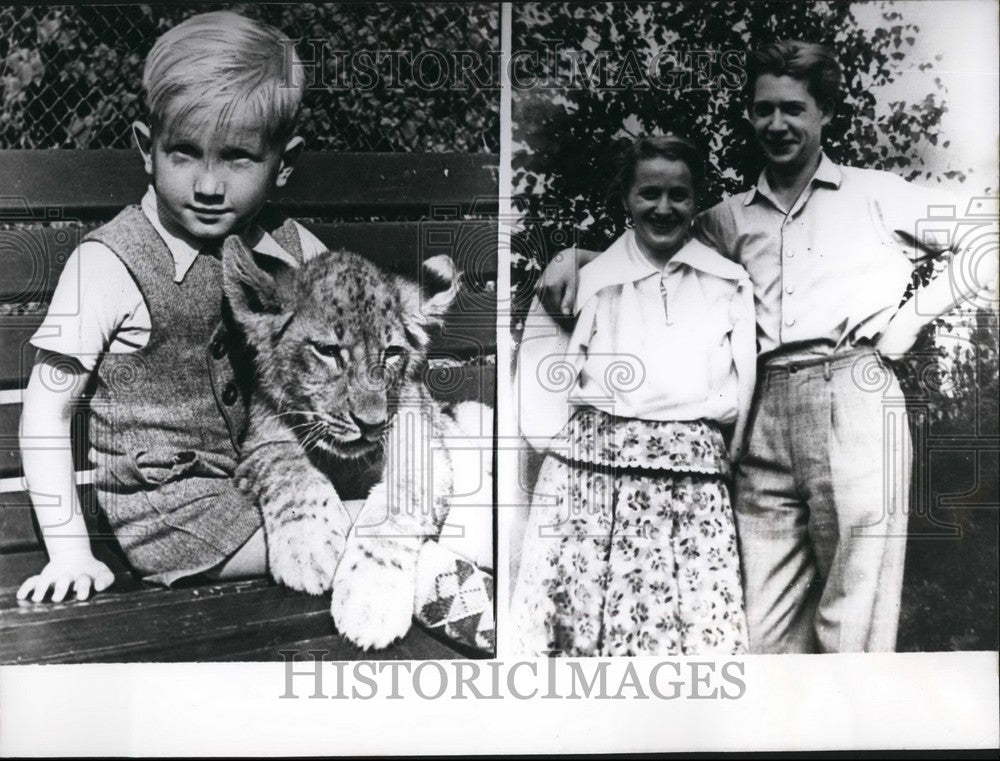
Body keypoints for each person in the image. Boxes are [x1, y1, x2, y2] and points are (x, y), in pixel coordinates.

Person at [533, 41, 996, 653]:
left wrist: (909, 323)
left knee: (854, 616)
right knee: (757, 631)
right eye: (764, 109)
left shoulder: (875, 195)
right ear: (750, 115)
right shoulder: (727, 219)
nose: (777, 124)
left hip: (853, 390)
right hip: (762, 416)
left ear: (825, 112)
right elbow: (657, 247)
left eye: (793, 109)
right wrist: (575, 257)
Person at [16, 11, 326, 601]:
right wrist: (70, 551)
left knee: (382, 508)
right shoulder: (109, 263)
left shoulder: (295, 252)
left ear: (284, 163)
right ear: (146, 148)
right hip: (173, 514)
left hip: (273, 483)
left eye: (238, 157)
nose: (208, 185)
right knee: (354, 535)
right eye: (183, 153)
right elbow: (46, 414)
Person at [510, 135, 757, 656]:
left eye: (679, 195)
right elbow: (542, 373)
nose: (664, 208)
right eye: (649, 193)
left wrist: (726, 455)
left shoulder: (727, 282)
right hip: (591, 480)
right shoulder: (589, 280)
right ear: (626, 198)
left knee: (686, 633)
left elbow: (745, 381)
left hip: (690, 487)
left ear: (697, 200)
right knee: (578, 632)